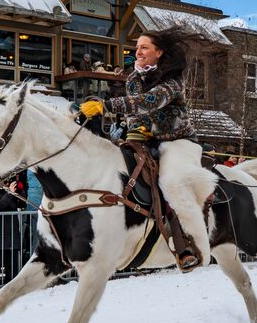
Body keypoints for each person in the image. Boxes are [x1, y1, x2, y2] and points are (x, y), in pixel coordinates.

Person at [78, 31, 216, 271]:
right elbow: (134, 114)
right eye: (136, 46)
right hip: (148, 140)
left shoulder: (173, 81)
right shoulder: (133, 78)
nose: (137, 52)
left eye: (144, 47)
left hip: (178, 141)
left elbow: (148, 102)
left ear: (159, 52)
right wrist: (135, 129)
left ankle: (194, 245)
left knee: (171, 182)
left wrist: (105, 105)